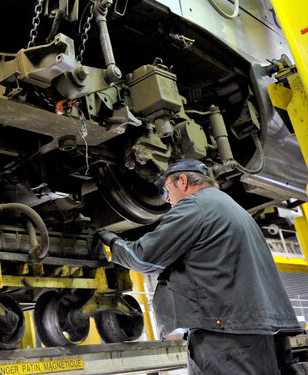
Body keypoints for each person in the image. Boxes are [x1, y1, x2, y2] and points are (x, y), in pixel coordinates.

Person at [96, 159, 301, 375]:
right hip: (260, 330)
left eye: (167, 190)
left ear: (182, 181)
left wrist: (111, 242)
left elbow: (144, 258)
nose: (167, 200)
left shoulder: (195, 205)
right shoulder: (232, 207)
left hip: (226, 336)